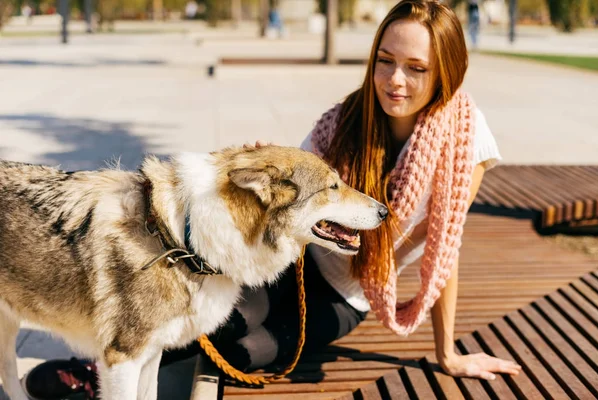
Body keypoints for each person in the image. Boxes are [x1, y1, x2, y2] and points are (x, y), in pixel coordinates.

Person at [22, 1, 521, 398]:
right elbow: (292, 185)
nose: (395, 80)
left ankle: (100, 373)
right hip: (297, 262)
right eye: (385, 61)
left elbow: (444, 250)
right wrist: (259, 164)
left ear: (445, 74)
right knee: (204, 318)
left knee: (243, 351)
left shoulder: (466, 144)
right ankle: (97, 374)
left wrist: (447, 353)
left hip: (348, 293)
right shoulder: (344, 118)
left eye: (416, 68)